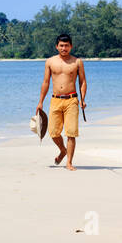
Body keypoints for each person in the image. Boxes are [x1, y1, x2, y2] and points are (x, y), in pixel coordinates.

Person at [35, 33, 86, 170]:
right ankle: (63, 150)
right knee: (53, 132)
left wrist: (82, 99)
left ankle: (69, 162)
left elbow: (82, 82)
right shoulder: (50, 62)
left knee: (71, 133)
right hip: (55, 100)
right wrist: (40, 102)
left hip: (72, 100)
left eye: (67, 45)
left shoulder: (77, 62)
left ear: (71, 46)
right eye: (61, 45)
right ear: (57, 46)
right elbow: (46, 82)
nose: (64, 48)